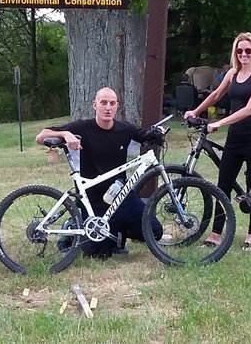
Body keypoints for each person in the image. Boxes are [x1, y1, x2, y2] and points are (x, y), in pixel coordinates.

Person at [35, 87, 163, 259]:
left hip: (121, 197)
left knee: (155, 231)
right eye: (103, 103)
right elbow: (41, 136)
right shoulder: (81, 127)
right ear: (95, 105)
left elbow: (144, 136)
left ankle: (116, 233)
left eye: (112, 103)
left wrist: (157, 134)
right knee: (97, 252)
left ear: (117, 106)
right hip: (94, 201)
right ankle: (72, 225)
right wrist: (65, 134)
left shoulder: (125, 129)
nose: (108, 107)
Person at [184, 32, 251, 251]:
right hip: (236, 139)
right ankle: (216, 234)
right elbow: (215, 95)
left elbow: (249, 110)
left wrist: (219, 124)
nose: (243, 54)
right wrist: (196, 110)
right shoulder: (233, 73)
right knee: (223, 186)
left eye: (248, 50)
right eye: (239, 50)